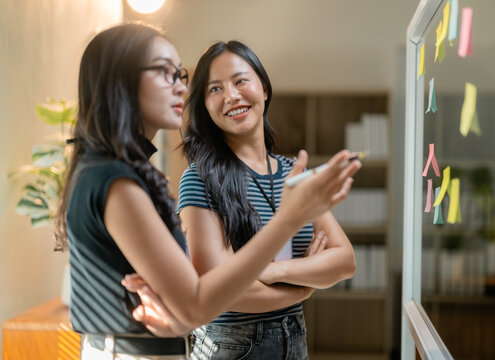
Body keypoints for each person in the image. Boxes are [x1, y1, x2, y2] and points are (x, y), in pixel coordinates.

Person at [53, 24, 360, 360]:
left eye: (180, 74)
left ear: (264, 87)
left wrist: (272, 274)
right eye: (165, 72)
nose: (180, 86)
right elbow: (200, 300)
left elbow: (188, 306)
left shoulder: (120, 172)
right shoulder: (117, 179)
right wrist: (302, 278)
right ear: (121, 82)